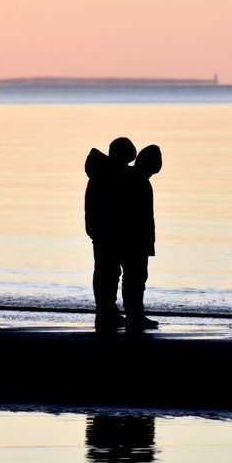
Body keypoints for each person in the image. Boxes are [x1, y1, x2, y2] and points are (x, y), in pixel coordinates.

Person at [85, 137, 136, 332]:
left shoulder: (104, 172)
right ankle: (106, 310)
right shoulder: (106, 175)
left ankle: (107, 310)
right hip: (106, 232)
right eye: (127, 160)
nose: (127, 164)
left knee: (108, 272)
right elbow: (105, 206)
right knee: (107, 272)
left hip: (103, 231)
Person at [121, 144, 162, 332]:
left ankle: (135, 314)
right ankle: (134, 315)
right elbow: (140, 217)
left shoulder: (137, 180)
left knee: (136, 278)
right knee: (134, 279)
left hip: (136, 239)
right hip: (134, 240)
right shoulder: (138, 182)